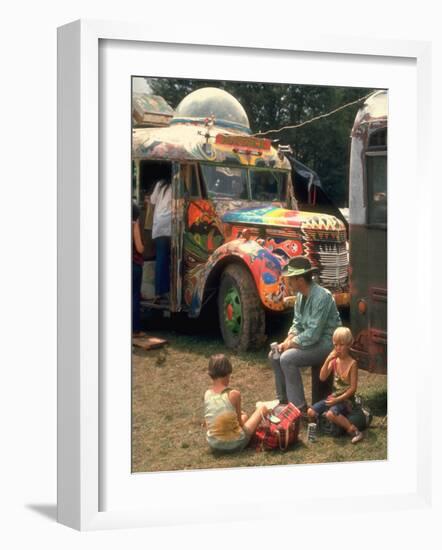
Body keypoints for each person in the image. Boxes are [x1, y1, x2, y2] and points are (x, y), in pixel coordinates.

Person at [269, 256, 341, 412]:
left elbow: (313, 334)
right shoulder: (301, 296)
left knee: (288, 358)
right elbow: (298, 324)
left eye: (290, 279)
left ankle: (298, 409)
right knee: (275, 355)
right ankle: (283, 403)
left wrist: (291, 344)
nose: (288, 282)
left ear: (300, 280)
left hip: (327, 344)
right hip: (311, 342)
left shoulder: (322, 296)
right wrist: (287, 340)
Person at [307, 327, 364, 444]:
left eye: (341, 345)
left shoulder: (352, 364)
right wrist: (328, 360)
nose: (338, 348)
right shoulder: (334, 361)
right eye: (335, 344)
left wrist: (337, 400)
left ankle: (354, 431)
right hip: (333, 398)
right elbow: (322, 377)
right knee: (310, 412)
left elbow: (353, 389)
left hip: (346, 401)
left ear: (349, 345)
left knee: (330, 414)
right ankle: (321, 426)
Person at [204, 354, 268, 453]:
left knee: (244, 416)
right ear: (227, 373)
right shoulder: (234, 394)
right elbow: (240, 424)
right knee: (262, 409)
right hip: (235, 444)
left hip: (214, 444)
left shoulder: (207, 394)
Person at [150, 178, 172, 303]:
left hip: (158, 225)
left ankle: (160, 291)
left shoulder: (159, 184)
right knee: (166, 259)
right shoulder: (176, 185)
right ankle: (163, 291)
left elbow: (152, 200)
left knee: (161, 259)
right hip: (169, 225)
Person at [132, 201, 144, 336]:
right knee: (134, 296)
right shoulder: (134, 225)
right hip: (134, 265)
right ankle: (135, 329)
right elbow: (139, 247)